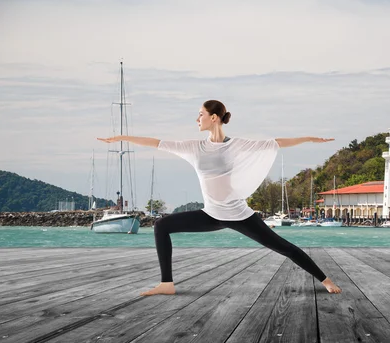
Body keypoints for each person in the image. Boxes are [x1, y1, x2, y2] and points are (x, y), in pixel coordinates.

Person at [98, 100, 342, 296]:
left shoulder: (237, 145)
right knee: (162, 225)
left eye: (200, 114)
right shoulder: (194, 147)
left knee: (284, 248)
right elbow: (156, 142)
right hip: (212, 215)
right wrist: (122, 138)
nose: (197, 119)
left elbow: (276, 143)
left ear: (213, 117)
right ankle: (166, 283)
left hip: (240, 215)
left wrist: (311, 139)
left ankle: (326, 280)